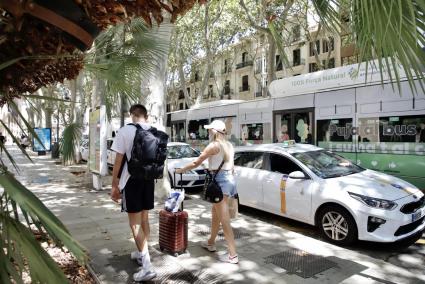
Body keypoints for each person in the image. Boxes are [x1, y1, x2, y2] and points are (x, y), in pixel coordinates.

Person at [176, 119, 239, 264]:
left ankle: (233, 255)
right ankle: (210, 242)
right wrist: (211, 167)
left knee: (224, 220)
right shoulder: (229, 145)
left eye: (210, 130)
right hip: (229, 180)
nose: (209, 131)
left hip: (220, 183)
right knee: (215, 214)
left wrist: (181, 170)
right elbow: (231, 167)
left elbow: (195, 162)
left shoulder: (213, 145)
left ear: (215, 132)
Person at [110, 104, 157, 282]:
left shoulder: (125, 131)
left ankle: (147, 267)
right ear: (145, 115)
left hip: (131, 181)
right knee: (144, 219)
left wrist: (114, 184)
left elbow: (118, 159)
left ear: (132, 115)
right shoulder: (154, 131)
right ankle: (141, 252)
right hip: (148, 179)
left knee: (134, 224)